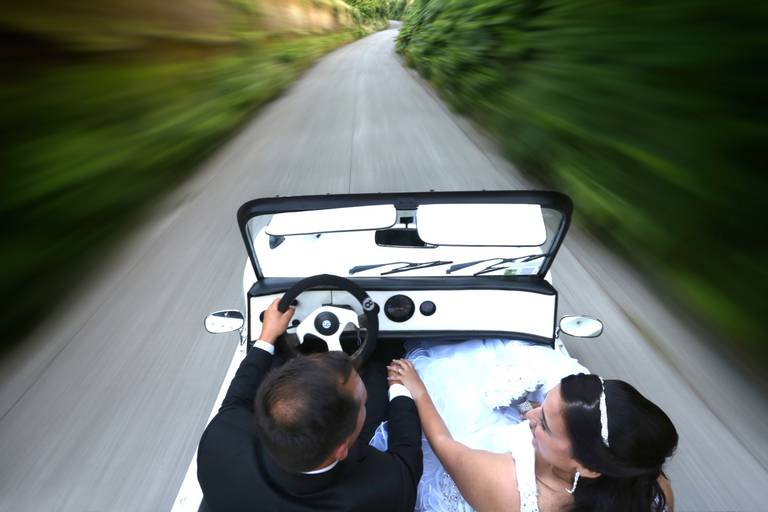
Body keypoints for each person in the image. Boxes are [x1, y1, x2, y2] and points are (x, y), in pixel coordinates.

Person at [383, 339, 678, 512]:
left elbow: (445, 445)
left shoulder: (512, 492)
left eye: (545, 425)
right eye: (545, 404)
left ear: (589, 468)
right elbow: (532, 415)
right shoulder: (651, 484)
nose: (531, 418)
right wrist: (528, 406)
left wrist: (417, 390)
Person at [197, 298, 423, 512]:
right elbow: (406, 458)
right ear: (342, 450)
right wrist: (400, 388)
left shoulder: (219, 446)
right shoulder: (385, 489)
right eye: (363, 402)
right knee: (375, 369)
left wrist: (267, 336)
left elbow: (236, 400)